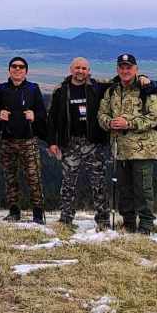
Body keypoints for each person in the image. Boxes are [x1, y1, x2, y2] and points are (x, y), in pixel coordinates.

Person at [98, 54, 157, 235]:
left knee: (143, 190)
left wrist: (130, 123)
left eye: (129, 67)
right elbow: (101, 114)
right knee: (124, 189)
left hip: (143, 149)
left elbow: (155, 116)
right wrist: (109, 122)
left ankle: (146, 226)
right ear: (117, 69)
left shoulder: (146, 89)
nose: (125, 71)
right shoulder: (112, 90)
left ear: (136, 69)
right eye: (122, 67)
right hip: (119, 149)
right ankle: (128, 224)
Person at [46, 57, 110, 230]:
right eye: (77, 68)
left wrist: (144, 79)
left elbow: (121, 80)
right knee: (68, 183)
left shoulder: (97, 87)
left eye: (83, 68)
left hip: (93, 143)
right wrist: (52, 142)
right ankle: (66, 218)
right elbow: (51, 119)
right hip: (70, 142)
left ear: (88, 70)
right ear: (71, 69)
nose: (80, 71)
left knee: (99, 183)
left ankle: (103, 220)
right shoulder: (61, 90)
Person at [0, 57, 48, 223]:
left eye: (21, 67)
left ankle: (37, 214)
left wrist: (35, 116)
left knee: (34, 178)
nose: (17, 69)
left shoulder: (33, 89)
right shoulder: (1, 89)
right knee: (10, 178)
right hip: (7, 140)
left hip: (28, 140)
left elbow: (42, 114)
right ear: (9, 69)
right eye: (14, 66)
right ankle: (14, 211)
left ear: (26, 70)